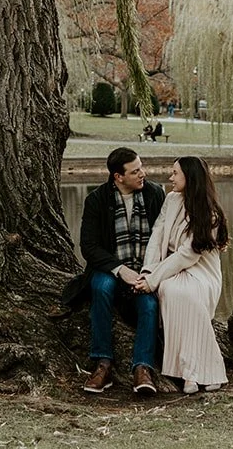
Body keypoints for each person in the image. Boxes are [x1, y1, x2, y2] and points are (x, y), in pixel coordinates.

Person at [62, 148, 164, 396]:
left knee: (149, 305)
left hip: (145, 269)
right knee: (101, 288)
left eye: (142, 167)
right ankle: (103, 363)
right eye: (136, 171)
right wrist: (120, 270)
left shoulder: (154, 194)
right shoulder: (97, 200)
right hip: (110, 269)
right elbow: (89, 247)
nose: (143, 174)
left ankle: (142, 367)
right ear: (118, 177)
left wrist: (150, 273)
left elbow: (164, 239)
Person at [136, 156, 229, 396]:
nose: (171, 178)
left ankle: (195, 372)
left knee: (185, 293)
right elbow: (156, 237)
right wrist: (148, 272)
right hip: (170, 268)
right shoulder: (171, 200)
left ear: (190, 177)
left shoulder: (210, 214)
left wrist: (154, 280)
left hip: (201, 272)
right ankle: (191, 370)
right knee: (172, 290)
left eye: (175, 173)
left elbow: (188, 255)